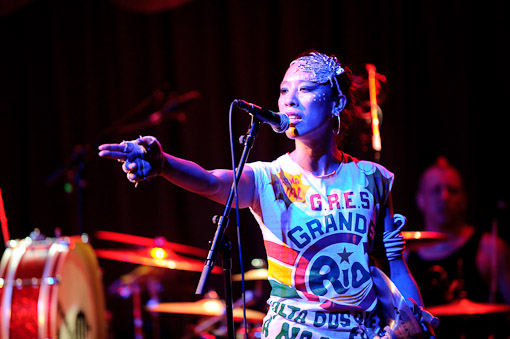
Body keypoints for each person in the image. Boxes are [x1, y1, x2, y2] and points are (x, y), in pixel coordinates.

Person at [99, 51, 432, 338]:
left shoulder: (372, 178)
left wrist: (414, 321)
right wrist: (163, 164)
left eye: (305, 89)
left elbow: (395, 263)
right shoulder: (269, 177)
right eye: (285, 90)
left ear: (338, 102)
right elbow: (212, 182)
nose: (289, 100)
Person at [406, 157, 510, 338]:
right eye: (436, 190)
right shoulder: (405, 255)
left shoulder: (490, 249)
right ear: (420, 199)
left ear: (464, 198)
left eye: (452, 190)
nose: (444, 197)